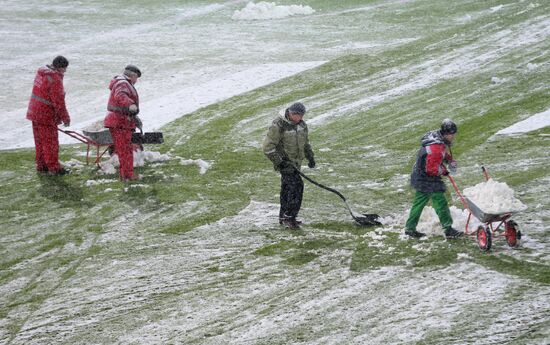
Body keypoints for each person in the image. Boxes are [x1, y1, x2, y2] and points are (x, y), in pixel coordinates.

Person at [404, 119, 463, 239]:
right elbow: (431, 169)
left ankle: (410, 229)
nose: (454, 137)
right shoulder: (436, 147)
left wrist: (449, 159)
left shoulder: (437, 140)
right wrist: (444, 171)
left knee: (419, 203)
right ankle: (448, 229)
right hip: (427, 178)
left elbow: (441, 153)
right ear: (447, 134)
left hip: (420, 174)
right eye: (453, 134)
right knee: (440, 203)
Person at [263, 102, 316, 229]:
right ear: (290, 113)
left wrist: (310, 157)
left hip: (296, 164)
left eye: (301, 115)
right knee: (296, 188)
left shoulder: (302, 125)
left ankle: (284, 216)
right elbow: (267, 147)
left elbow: (305, 143)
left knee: (287, 189)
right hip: (285, 164)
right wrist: (280, 162)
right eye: (296, 115)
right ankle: (289, 217)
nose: (299, 118)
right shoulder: (279, 125)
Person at [26, 55, 71, 175]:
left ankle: (42, 165)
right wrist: (65, 118)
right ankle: (54, 168)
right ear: (60, 67)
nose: (65, 72)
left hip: (34, 112)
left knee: (39, 141)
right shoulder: (54, 78)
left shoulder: (41, 73)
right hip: (46, 115)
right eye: (64, 69)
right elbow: (58, 101)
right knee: (50, 143)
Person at [104, 64, 143, 181]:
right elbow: (120, 95)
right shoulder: (123, 83)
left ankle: (126, 174)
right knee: (125, 150)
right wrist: (130, 104)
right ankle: (127, 176)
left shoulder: (122, 82)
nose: (136, 81)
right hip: (120, 122)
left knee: (124, 149)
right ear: (133, 76)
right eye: (137, 78)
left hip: (120, 121)